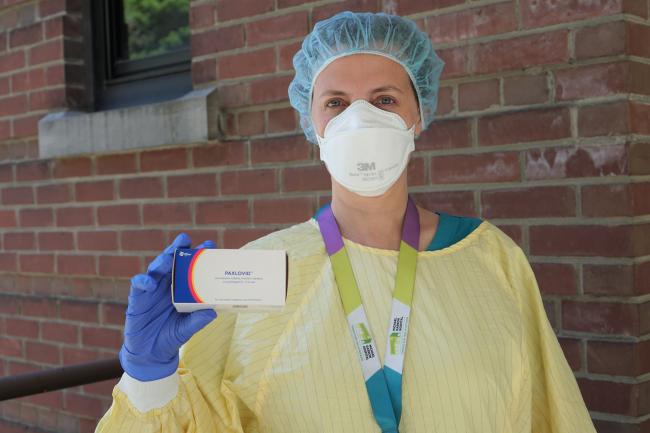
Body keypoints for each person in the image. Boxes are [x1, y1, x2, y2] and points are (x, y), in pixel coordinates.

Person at [95, 11, 597, 433]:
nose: (360, 120)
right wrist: (148, 376)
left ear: (417, 116)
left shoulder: (492, 260)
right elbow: (192, 418)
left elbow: (551, 414)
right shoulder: (261, 273)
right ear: (313, 125)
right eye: (336, 102)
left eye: (384, 100)